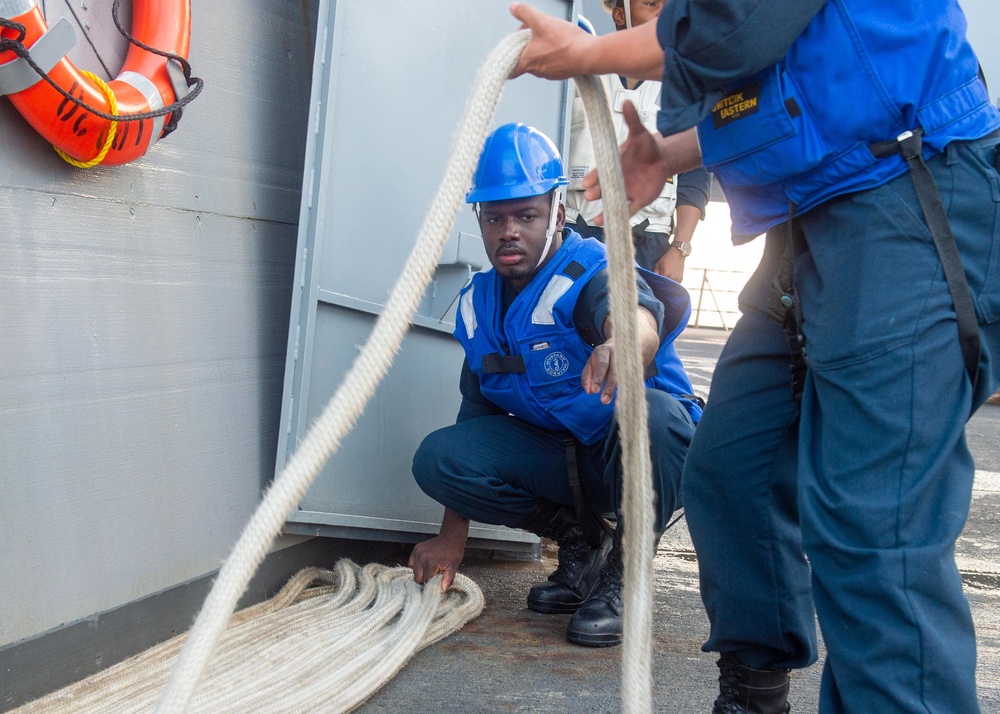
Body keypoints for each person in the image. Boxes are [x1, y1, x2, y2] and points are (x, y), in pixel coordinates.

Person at [508, 2, 1000, 712]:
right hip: (811, 219)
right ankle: (753, 693)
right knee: (729, 470)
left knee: (873, 533)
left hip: (904, 193)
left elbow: (734, 27)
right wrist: (669, 153)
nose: (639, 13)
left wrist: (589, 53)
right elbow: (786, 80)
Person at [409, 122, 702, 648]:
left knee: (655, 416)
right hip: (569, 461)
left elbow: (635, 315)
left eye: (526, 215)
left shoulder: (590, 268)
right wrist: (452, 539)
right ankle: (583, 541)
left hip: (637, 457)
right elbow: (475, 416)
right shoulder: (478, 306)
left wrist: (621, 345)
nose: (509, 231)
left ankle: (625, 576)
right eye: (495, 217)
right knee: (441, 458)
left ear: (558, 214)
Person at [567, 1, 711, 282]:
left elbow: (696, 176)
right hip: (575, 237)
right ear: (620, 16)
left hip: (648, 248)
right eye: (651, 3)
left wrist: (679, 250)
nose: (665, 12)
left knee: (639, 325)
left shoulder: (687, 88)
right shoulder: (578, 76)